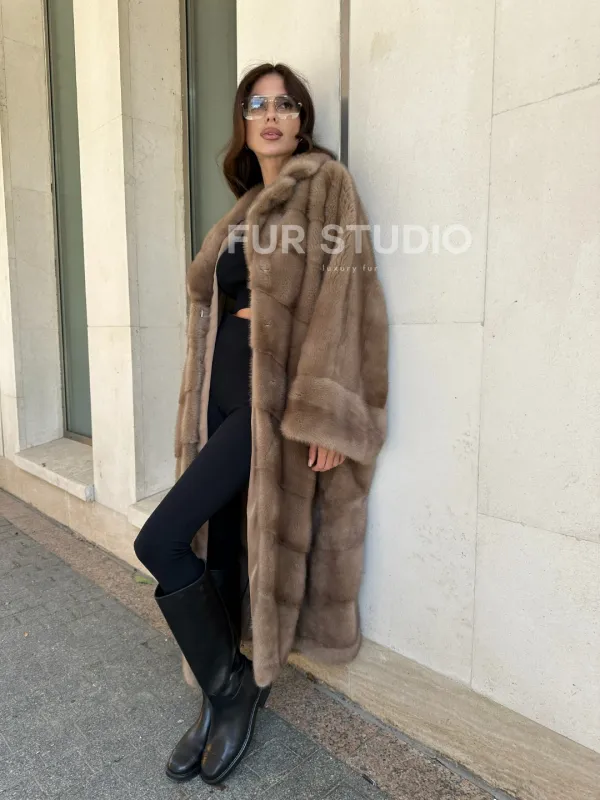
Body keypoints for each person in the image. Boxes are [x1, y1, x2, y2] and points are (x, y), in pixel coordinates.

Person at [133, 62, 389, 787]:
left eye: (284, 104)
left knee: (159, 539)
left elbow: (347, 300)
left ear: (302, 121)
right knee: (217, 550)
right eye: (257, 105)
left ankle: (232, 690)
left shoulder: (326, 187)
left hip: (267, 401)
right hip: (218, 395)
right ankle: (221, 696)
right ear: (244, 124)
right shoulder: (242, 211)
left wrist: (327, 417)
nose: (271, 116)